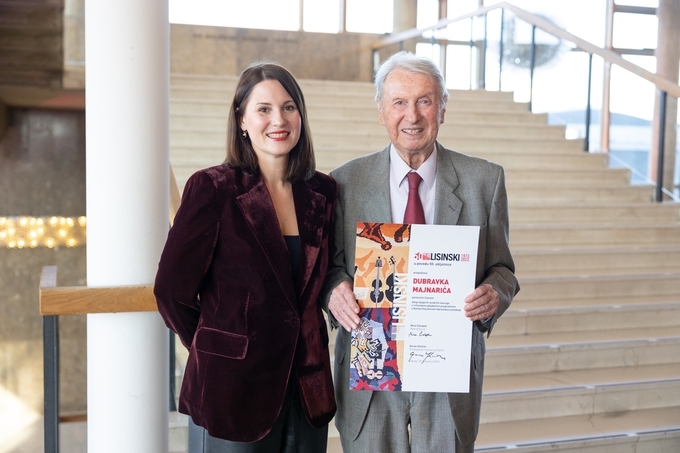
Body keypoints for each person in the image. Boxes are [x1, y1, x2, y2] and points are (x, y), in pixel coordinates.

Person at [321, 51, 520, 452]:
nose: (411, 116)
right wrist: (334, 290)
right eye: (399, 102)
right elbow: (330, 268)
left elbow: (502, 269)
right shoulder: (343, 183)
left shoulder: (484, 181)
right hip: (370, 367)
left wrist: (494, 294)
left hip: (447, 371)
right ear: (381, 111)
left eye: (424, 101)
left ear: (442, 108)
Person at [154, 62, 336, 453]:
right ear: (241, 120)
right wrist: (216, 347)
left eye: (288, 107)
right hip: (233, 388)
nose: (279, 120)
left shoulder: (323, 192)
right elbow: (170, 291)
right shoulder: (212, 188)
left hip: (306, 387)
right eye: (264, 109)